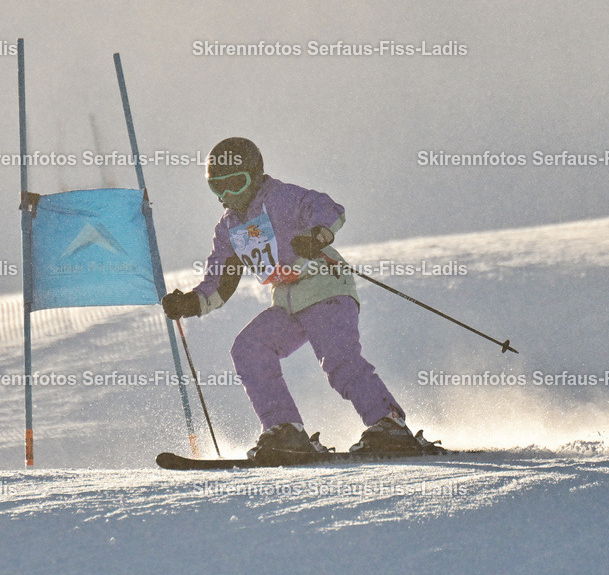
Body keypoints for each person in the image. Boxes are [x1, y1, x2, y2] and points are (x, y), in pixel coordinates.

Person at [161, 137, 431, 463]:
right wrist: (190, 303)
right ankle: (285, 430)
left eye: (235, 183)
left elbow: (327, 207)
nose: (227, 196)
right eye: (217, 188)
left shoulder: (281, 198)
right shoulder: (230, 228)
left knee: (338, 360)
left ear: (255, 175)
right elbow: (219, 284)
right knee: (249, 347)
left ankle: (388, 424)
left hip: (325, 289)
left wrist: (316, 234)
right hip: (288, 305)